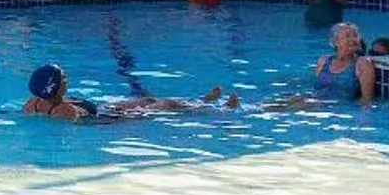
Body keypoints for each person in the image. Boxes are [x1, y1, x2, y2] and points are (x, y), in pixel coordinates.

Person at [22, 63, 236, 122]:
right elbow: (93, 123)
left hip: (105, 109)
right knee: (164, 106)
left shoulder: (32, 104)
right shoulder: (64, 111)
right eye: (64, 78)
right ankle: (218, 109)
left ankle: (202, 100)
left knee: (149, 98)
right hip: (114, 117)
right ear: (56, 87)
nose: (67, 80)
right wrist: (130, 119)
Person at [310, 22, 377, 105]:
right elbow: (316, 89)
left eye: (355, 36)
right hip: (316, 101)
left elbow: (367, 100)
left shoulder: (362, 64)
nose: (353, 39)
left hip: (338, 107)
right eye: (348, 36)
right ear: (335, 42)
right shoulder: (323, 60)